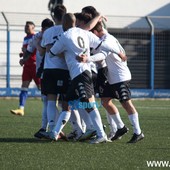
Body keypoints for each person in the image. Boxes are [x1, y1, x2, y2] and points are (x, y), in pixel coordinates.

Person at [48, 13, 112, 144]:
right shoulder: (84, 33)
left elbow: (52, 53)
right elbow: (100, 46)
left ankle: (101, 134)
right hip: (79, 75)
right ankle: (55, 133)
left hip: (81, 74)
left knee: (89, 104)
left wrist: (66, 51)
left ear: (64, 24)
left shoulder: (64, 36)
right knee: (66, 104)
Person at [79, 21, 144, 143]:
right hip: (112, 77)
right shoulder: (105, 38)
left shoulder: (107, 40)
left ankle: (138, 132)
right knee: (105, 101)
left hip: (121, 77)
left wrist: (87, 59)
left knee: (126, 103)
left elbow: (102, 56)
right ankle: (121, 127)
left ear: (95, 32)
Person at [37, 5, 69, 140]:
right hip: (64, 70)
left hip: (49, 70)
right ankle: (80, 129)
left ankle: (51, 127)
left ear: (53, 16)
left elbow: (43, 50)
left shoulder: (48, 32)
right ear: (65, 15)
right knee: (67, 103)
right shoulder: (68, 30)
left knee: (51, 100)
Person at [19, 18, 54, 138]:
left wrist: (38, 45)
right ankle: (47, 128)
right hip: (46, 72)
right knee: (48, 101)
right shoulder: (36, 37)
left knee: (66, 104)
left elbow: (41, 51)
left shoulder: (39, 37)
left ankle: (81, 129)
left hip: (57, 71)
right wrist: (24, 59)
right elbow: (29, 50)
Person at [10, 21, 41, 116]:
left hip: (35, 65)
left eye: (28, 26)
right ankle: (21, 109)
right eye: (25, 26)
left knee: (42, 88)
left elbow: (35, 50)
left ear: (33, 27)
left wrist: (26, 51)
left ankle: (52, 105)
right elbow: (27, 51)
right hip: (27, 66)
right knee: (24, 86)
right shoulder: (25, 38)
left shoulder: (35, 37)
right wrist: (23, 54)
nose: (26, 27)